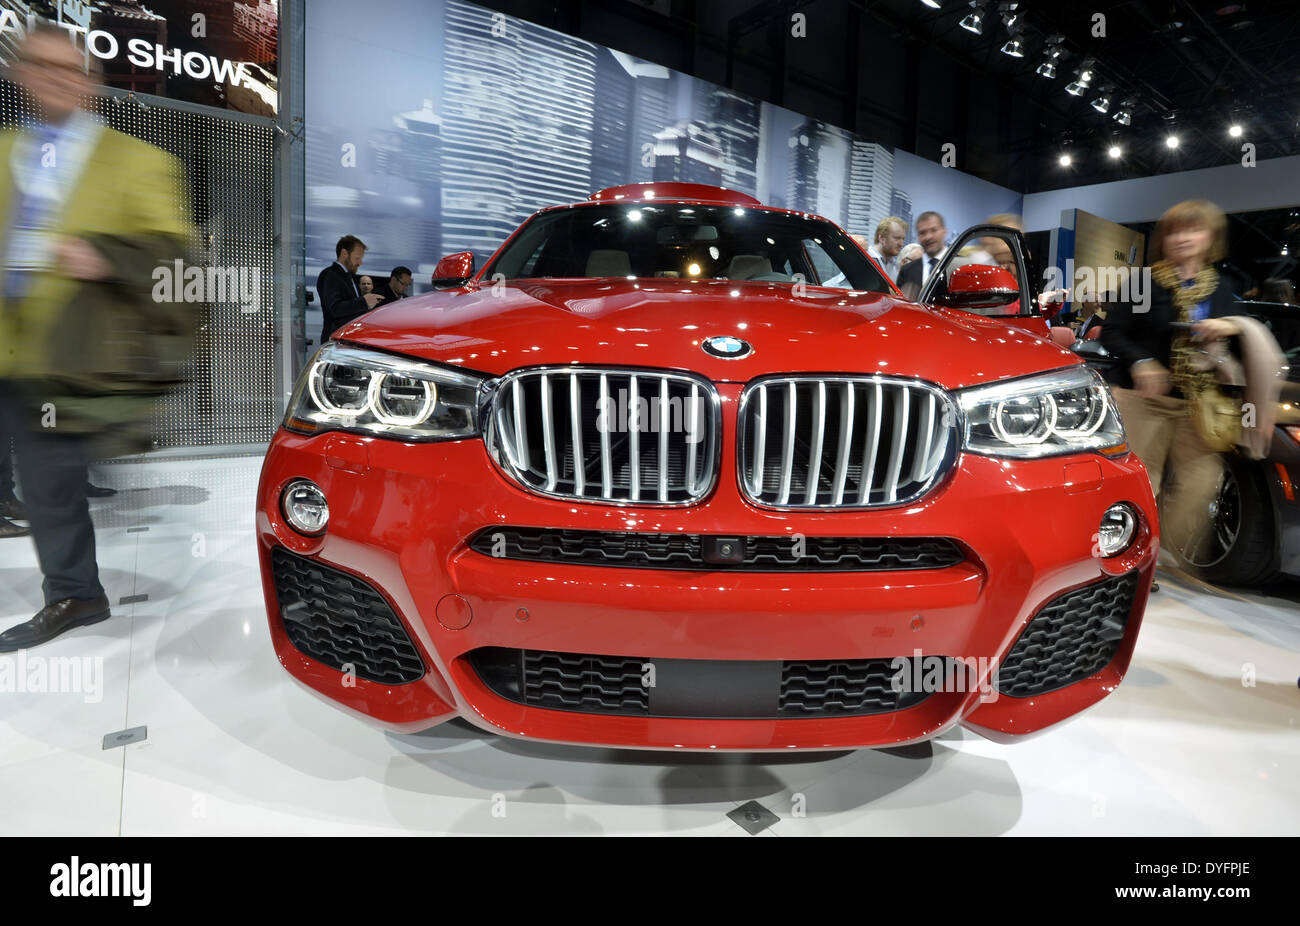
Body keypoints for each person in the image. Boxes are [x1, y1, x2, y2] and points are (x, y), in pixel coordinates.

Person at [0, 24, 193, 652]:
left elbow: (182, 262)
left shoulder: (140, 162)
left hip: (68, 359)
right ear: (19, 73)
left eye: (68, 67)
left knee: (51, 481)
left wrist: (106, 255)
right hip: (9, 342)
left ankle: (76, 594)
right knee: (44, 477)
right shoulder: (6, 151)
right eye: (39, 65)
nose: (53, 77)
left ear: (91, 80)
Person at [1100, 200, 1243, 565]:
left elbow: (1242, 334)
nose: (1182, 238)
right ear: (1164, 239)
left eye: (1193, 229)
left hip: (1194, 403)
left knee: (1203, 480)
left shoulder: (1221, 288)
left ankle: (1165, 554)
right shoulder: (1145, 282)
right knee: (1142, 482)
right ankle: (1132, 562)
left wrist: (1227, 328)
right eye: (1175, 231)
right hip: (1141, 400)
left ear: (1211, 238)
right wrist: (1142, 361)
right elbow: (1112, 332)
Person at [317, 235, 384, 341]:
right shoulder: (331, 275)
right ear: (344, 253)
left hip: (345, 339)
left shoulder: (346, 276)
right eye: (357, 258)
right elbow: (335, 309)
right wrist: (364, 302)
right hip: (337, 340)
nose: (360, 263)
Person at [897, 211, 949, 299]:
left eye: (933, 230)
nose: (928, 237)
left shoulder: (960, 265)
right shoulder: (907, 271)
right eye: (922, 233)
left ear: (944, 232)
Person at [865, 217, 907, 283]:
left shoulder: (894, 265)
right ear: (881, 238)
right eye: (897, 238)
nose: (901, 244)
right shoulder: (866, 258)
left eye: (903, 239)